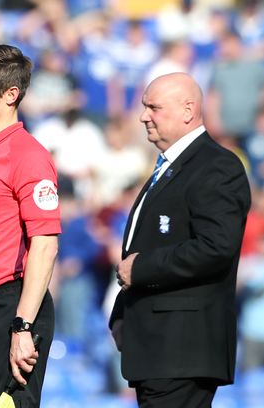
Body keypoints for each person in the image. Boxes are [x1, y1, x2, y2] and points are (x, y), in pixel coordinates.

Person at [109, 72, 251, 407]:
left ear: (188, 110)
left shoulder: (216, 166)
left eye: (154, 107)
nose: (144, 116)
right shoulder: (171, 166)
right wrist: (123, 313)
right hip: (158, 350)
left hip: (181, 350)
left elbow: (216, 247)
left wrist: (141, 268)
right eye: (144, 107)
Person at [0, 44, 61, 408]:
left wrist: (22, 325)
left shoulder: (28, 156)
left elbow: (45, 244)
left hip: (11, 305)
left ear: (10, 95)